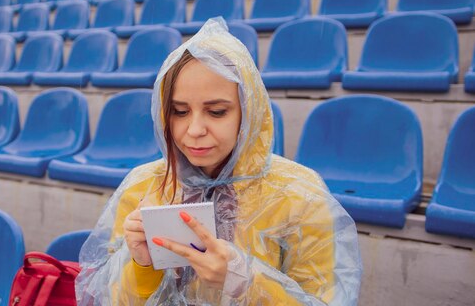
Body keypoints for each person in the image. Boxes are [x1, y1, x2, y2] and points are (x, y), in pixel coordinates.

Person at [75, 18, 363, 305]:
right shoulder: (143, 188)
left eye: (216, 112)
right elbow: (106, 299)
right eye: (179, 111)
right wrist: (141, 265)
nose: (195, 130)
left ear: (248, 112)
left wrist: (244, 282)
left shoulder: (298, 195)